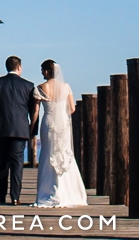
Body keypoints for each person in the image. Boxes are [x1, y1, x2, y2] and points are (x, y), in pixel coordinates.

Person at [31, 60, 89, 207]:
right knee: (64, 153)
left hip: (49, 122)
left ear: (46, 71)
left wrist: (32, 127)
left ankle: (48, 190)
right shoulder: (66, 87)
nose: (41, 72)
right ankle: (69, 192)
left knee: (48, 154)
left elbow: (36, 111)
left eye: (42, 69)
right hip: (63, 124)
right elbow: (72, 108)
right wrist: (61, 115)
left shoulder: (40, 88)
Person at [0, 54, 38, 204]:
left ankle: (1, 195)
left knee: (2, 162)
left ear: (7, 67)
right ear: (19, 67)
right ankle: (15, 197)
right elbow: (33, 110)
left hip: (1, 129)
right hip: (20, 130)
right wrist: (33, 131)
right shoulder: (28, 85)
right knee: (17, 163)